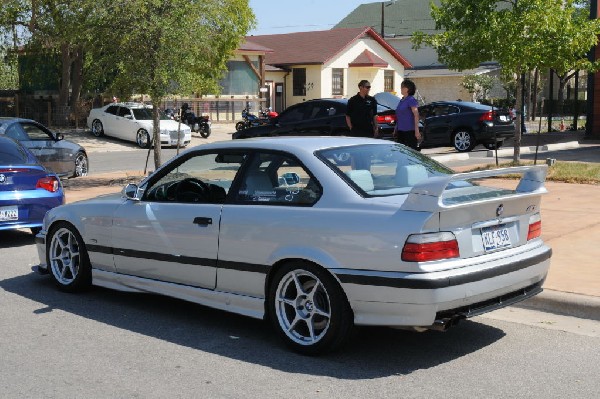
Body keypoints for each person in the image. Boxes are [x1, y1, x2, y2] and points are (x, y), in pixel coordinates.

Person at [394, 79, 421, 150]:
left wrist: (417, 130)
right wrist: (395, 128)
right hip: (401, 131)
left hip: (410, 131)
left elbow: (416, 114)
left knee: (411, 152)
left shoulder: (411, 100)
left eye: (402, 87)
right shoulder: (402, 100)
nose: (401, 88)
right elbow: (399, 115)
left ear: (407, 89)